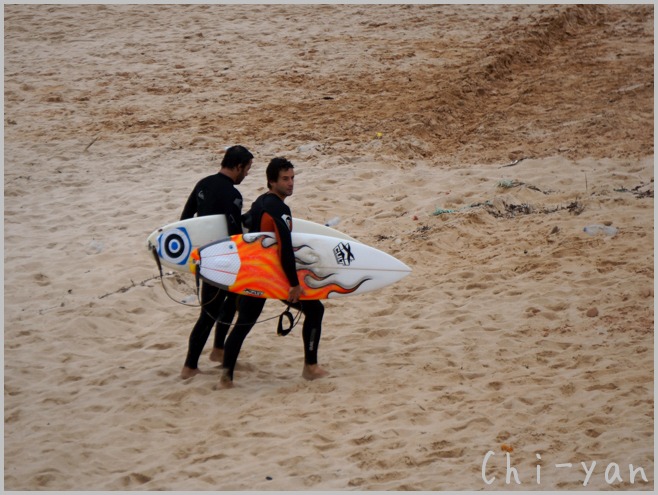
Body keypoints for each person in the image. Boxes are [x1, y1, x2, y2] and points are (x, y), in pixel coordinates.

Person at [218, 157, 328, 388]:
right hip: (273, 277)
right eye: (285, 179)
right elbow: (284, 248)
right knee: (315, 310)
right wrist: (293, 284)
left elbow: (246, 226)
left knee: (244, 322)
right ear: (271, 181)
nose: (290, 183)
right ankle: (310, 367)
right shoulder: (279, 208)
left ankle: (226, 377)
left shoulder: (260, 202)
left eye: (293, 178)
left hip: (253, 272)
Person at [179, 145, 253, 379]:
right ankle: (189, 366)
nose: (247, 174)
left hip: (202, 257)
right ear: (238, 166)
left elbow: (185, 220)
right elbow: (233, 233)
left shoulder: (203, 183)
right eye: (247, 169)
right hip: (222, 259)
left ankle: (219, 351)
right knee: (210, 313)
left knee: (230, 302)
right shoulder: (232, 195)